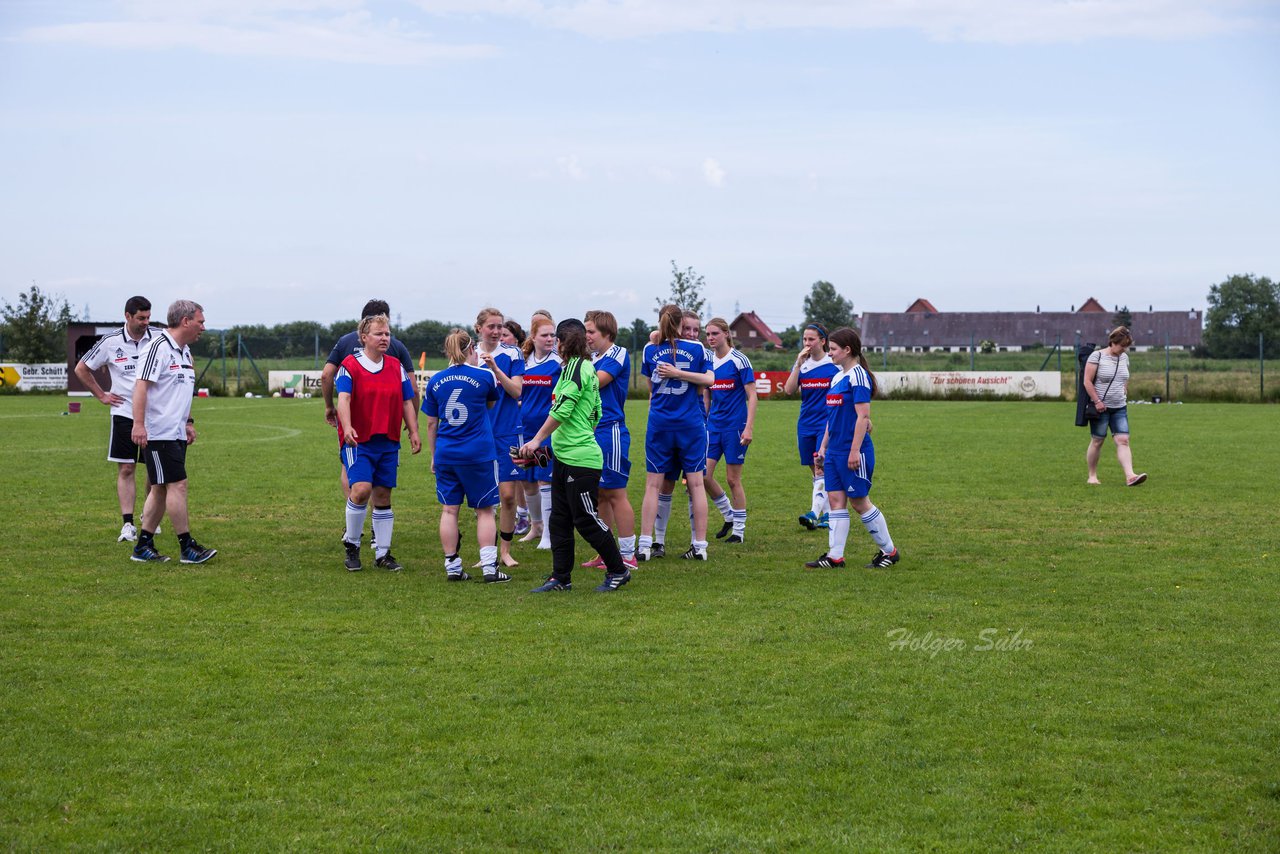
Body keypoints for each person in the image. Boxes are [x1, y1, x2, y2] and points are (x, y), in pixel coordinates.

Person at [521, 318, 630, 593]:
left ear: (561, 343)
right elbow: (595, 413)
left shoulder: (573, 370)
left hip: (580, 461)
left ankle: (619, 570)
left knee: (586, 519)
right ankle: (561, 577)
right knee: (559, 519)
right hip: (567, 457)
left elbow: (562, 410)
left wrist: (536, 441)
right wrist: (554, 449)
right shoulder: (586, 368)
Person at [322, 299, 418, 551]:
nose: (385, 338)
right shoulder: (349, 366)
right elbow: (344, 398)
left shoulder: (395, 366)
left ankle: (383, 553)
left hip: (387, 440)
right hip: (359, 439)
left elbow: (408, 400)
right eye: (379, 334)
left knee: (383, 495)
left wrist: (414, 431)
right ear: (364, 337)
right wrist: (347, 425)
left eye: (387, 333)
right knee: (362, 489)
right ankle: (352, 544)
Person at [128, 300, 216, 565]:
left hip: (175, 432)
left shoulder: (184, 351)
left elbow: (181, 392)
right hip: (158, 433)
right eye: (200, 321)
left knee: (160, 489)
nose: (203, 326)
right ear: (185, 321)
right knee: (178, 484)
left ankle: (143, 546)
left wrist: (188, 422)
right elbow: (141, 388)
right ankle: (187, 546)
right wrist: (139, 424)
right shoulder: (158, 347)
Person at [806, 327, 900, 569]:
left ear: (847, 350)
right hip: (834, 450)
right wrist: (823, 447)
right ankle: (835, 556)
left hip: (852, 451)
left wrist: (854, 451)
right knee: (836, 500)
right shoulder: (838, 377)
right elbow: (832, 417)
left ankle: (889, 551)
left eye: (833, 349)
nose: (830, 353)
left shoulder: (858, 376)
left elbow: (863, 417)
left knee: (859, 502)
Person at [74, 296, 163, 544]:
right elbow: (81, 368)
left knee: (154, 469)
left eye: (148, 317)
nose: (146, 322)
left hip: (154, 415)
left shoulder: (158, 338)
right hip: (123, 414)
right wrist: (101, 395)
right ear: (127, 316)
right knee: (126, 467)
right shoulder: (111, 342)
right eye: (140, 318)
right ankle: (128, 524)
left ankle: (150, 516)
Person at [423, 329, 509, 583]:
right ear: (472, 349)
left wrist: (434, 455)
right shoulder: (484, 376)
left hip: (447, 453)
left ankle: (452, 566)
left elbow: (431, 424)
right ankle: (490, 569)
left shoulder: (436, 380)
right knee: (484, 510)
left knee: (449, 510)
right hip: (478, 453)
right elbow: (490, 404)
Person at [637, 305, 714, 561]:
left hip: (660, 421)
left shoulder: (650, 349)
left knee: (653, 485)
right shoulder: (697, 349)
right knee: (695, 485)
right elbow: (709, 380)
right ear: (682, 324)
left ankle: (646, 545)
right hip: (689, 422)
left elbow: (650, 387)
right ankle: (700, 546)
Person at [581, 310, 638, 569]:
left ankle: (628, 555)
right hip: (591, 432)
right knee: (600, 495)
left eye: (591, 331)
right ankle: (606, 552)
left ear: (607, 333)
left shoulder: (618, 353)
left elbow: (596, 381)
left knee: (615, 492)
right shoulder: (592, 358)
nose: (587, 336)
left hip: (610, 431)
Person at [475, 307, 525, 567]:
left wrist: (495, 369)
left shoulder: (512, 353)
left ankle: (505, 551)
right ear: (479, 328)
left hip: (508, 433)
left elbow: (517, 391)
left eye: (499, 327)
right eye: (491, 327)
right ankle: (487, 553)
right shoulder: (468, 354)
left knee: (507, 496)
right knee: (484, 497)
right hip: (478, 434)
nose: (496, 332)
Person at [703, 317, 757, 544]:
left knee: (733, 479)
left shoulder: (739, 360)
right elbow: (707, 393)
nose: (710, 338)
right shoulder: (706, 361)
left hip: (735, 427)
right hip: (713, 426)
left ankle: (740, 531)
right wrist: (703, 421)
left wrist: (748, 428)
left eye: (714, 333)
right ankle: (729, 515)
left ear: (726, 334)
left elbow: (752, 395)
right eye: (707, 334)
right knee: (703, 475)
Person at [783, 323, 839, 531]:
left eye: (811, 339)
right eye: (804, 339)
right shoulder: (803, 365)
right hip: (805, 422)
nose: (807, 343)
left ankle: (815, 513)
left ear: (823, 341)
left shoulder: (834, 364)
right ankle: (828, 514)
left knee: (820, 466)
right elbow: (788, 390)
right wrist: (797, 365)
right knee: (814, 470)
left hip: (825, 424)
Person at [516, 314, 561, 549]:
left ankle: (548, 535)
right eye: (545, 335)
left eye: (553, 334)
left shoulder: (558, 363)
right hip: (523, 429)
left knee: (545, 481)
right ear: (533, 337)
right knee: (527, 481)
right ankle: (536, 526)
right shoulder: (523, 362)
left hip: (546, 431)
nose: (550, 339)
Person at [1085, 326, 1147, 486]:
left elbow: (1124, 376)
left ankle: (1130, 476)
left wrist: (1124, 390)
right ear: (1113, 342)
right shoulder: (1096, 356)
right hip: (1101, 407)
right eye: (1122, 345)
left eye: (1126, 346)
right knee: (1098, 440)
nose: (1124, 349)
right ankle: (1092, 475)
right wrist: (1097, 401)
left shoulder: (1124, 357)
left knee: (1123, 440)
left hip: (1119, 406)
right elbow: (1087, 381)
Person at [502, 319, 532, 536]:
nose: (501, 338)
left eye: (505, 334)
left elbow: (521, 390)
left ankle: (525, 514)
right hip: (501, 423)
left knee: (522, 472)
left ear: (516, 338)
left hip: (521, 422)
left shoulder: (519, 357)